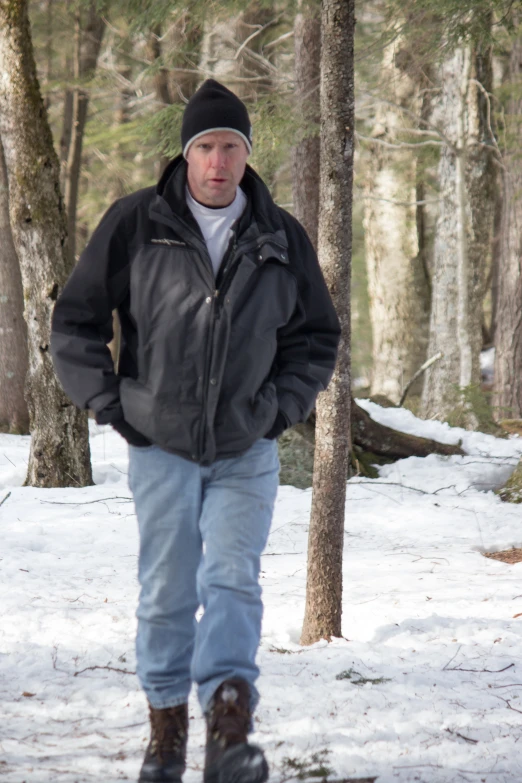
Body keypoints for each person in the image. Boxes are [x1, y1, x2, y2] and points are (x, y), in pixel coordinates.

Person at [51, 79, 340, 783]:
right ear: (186, 154)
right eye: (206, 146)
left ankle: (230, 728)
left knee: (233, 579)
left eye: (232, 147)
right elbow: (76, 322)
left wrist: (277, 409)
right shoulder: (136, 223)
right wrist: (112, 405)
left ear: (247, 154)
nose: (219, 161)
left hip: (248, 445)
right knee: (167, 588)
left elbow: (316, 336)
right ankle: (165, 732)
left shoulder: (280, 235)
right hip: (161, 445)